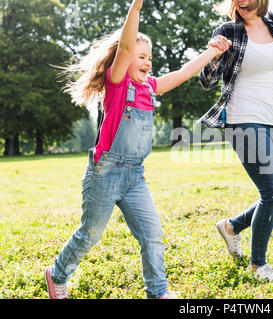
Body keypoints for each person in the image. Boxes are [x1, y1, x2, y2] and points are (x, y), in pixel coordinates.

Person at [44, 0, 231, 299]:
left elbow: (183, 72)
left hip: (134, 177)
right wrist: (136, 8)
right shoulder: (117, 84)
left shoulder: (150, 87)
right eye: (141, 56)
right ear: (126, 59)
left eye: (150, 58)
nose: (147, 62)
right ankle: (57, 274)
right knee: (90, 235)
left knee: (152, 234)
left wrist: (213, 52)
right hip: (104, 174)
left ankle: (158, 293)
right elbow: (126, 49)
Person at [199, 0, 273, 283]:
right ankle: (259, 265)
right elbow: (206, 81)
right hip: (244, 119)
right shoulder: (229, 31)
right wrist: (215, 55)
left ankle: (231, 226)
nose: (243, 2)